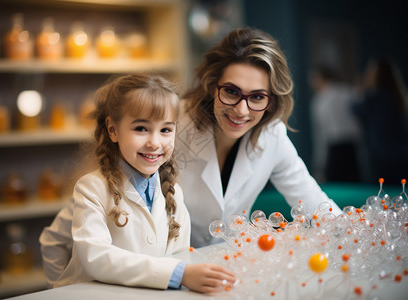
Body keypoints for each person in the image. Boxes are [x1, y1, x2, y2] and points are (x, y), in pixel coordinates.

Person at [39, 74, 236, 292]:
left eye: (166, 130)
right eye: (141, 128)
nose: (154, 142)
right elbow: (96, 256)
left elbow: (179, 255)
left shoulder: (174, 193)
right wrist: (59, 291)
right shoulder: (91, 188)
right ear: (113, 130)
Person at [176, 27, 342, 248]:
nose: (242, 110)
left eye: (257, 97)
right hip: (168, 263)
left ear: (271, 101)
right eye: (231, 92)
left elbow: (315, 204)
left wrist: (358, 239)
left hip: (226, 263)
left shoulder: (272, 135)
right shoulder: (172, 125)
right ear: (211, 85)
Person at [352, 58, 408, 183]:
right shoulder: (400, 97)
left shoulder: (375, 97)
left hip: (381, 155)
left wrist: (359, 90)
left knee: (384, 194)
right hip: (401, 153)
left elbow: (355, 109)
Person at [308, 65, 362, 183]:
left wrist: (319, 163)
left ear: (323, 78)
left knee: (337, 185)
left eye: (314, 78)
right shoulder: (348, 91)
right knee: (353, 184)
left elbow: (321, 134)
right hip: (351, 146)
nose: (312, 83)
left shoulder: (319, 100)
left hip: (336, 148)